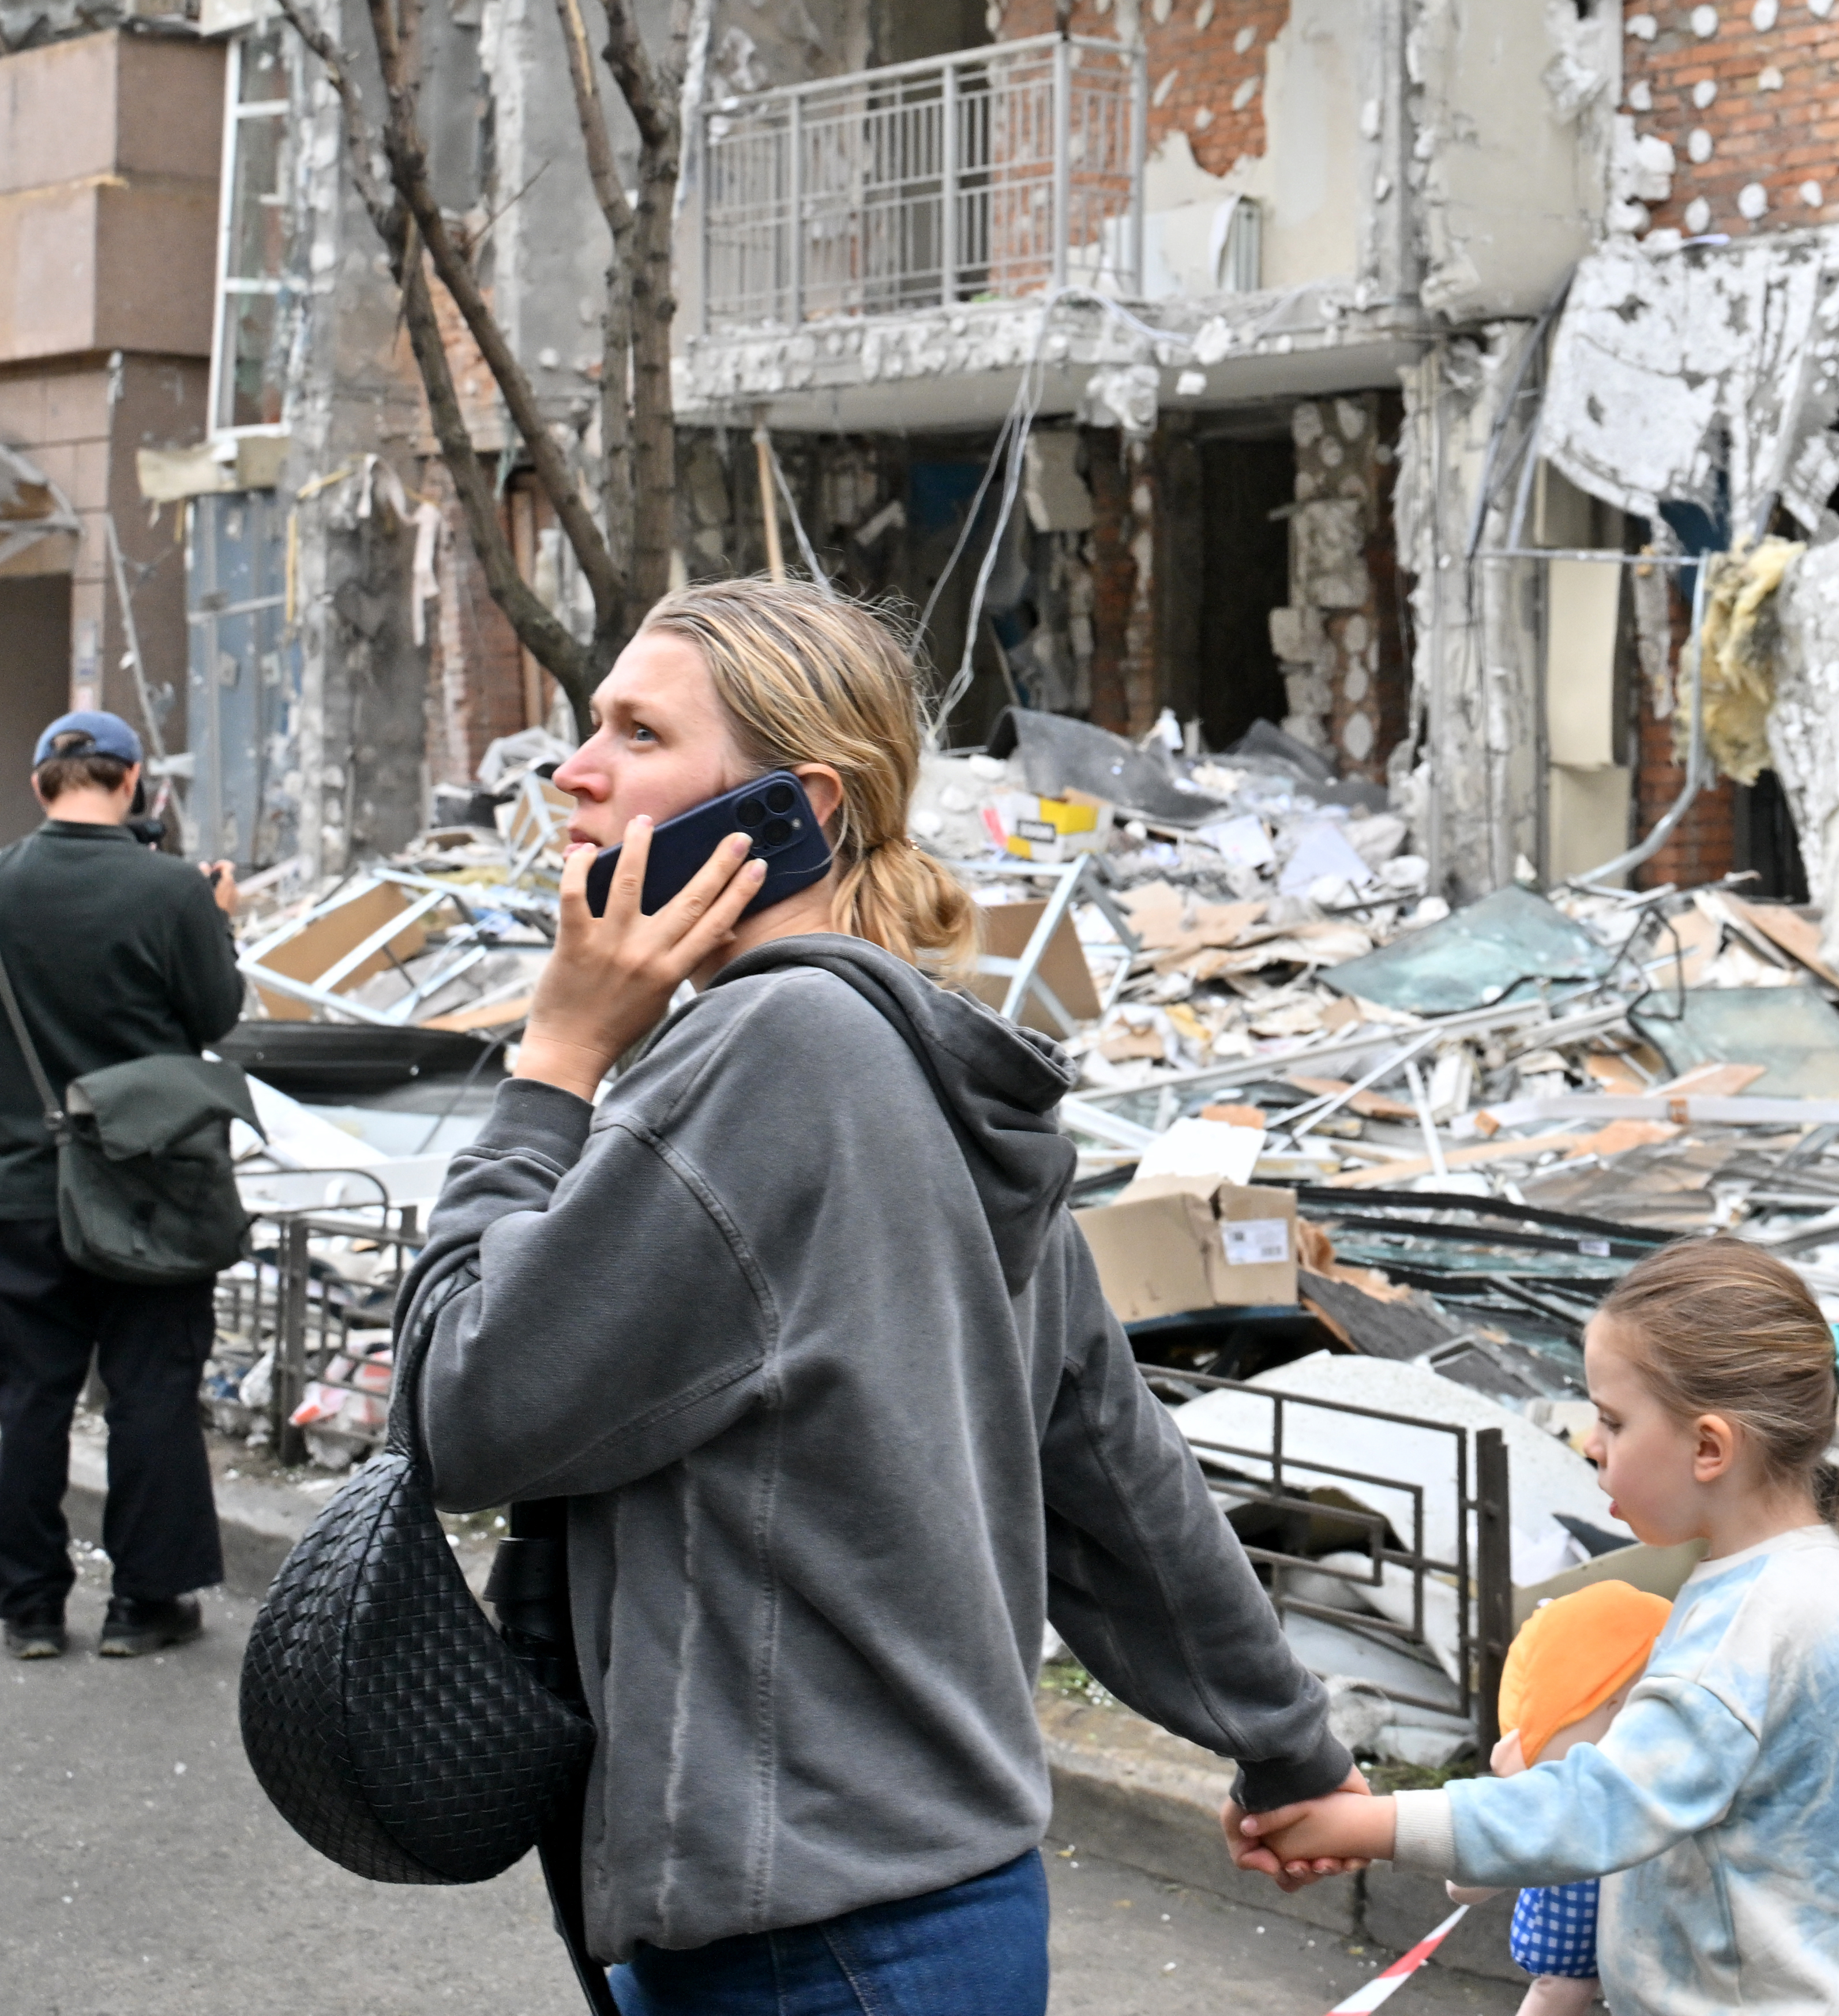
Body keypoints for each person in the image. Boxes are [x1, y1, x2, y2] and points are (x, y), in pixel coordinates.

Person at [397, 576, 1360, 2016]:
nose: (572, 771)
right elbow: (1110, 1463)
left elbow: (469, 1405)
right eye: (586, 727)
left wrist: (552, 1064)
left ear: (802, 809)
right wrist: (1292, 1747)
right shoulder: (920, 1063)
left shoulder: (770, 1047)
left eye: (637, 733)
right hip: (922, 1917)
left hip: (807, 1944)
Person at [1232, 1238, 1839, 2016]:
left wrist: (1367, 1824)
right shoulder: (1812, 1573)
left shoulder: (1752, 1618)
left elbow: (1599, 1809)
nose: (1589, 1444)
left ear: (1708, 1446)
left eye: (1613, 1421)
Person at [0, 706, 244, 1662]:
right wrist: (216, 919)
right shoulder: (170, 891)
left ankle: (30, 1608)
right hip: (148, 1184)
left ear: (42, 783)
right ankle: (147, 1600)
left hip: (20, 1188)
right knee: (152, 1389)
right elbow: (214, 1013)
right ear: (131, 783)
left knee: (31, 1394)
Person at [1485, 1582, 1674, 2016]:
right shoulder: (1558, 1792)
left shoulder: (1662, 1781)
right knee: (1563, 1987)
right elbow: (1495, 1849)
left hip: (1651, 1930)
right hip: (1581, 1919)